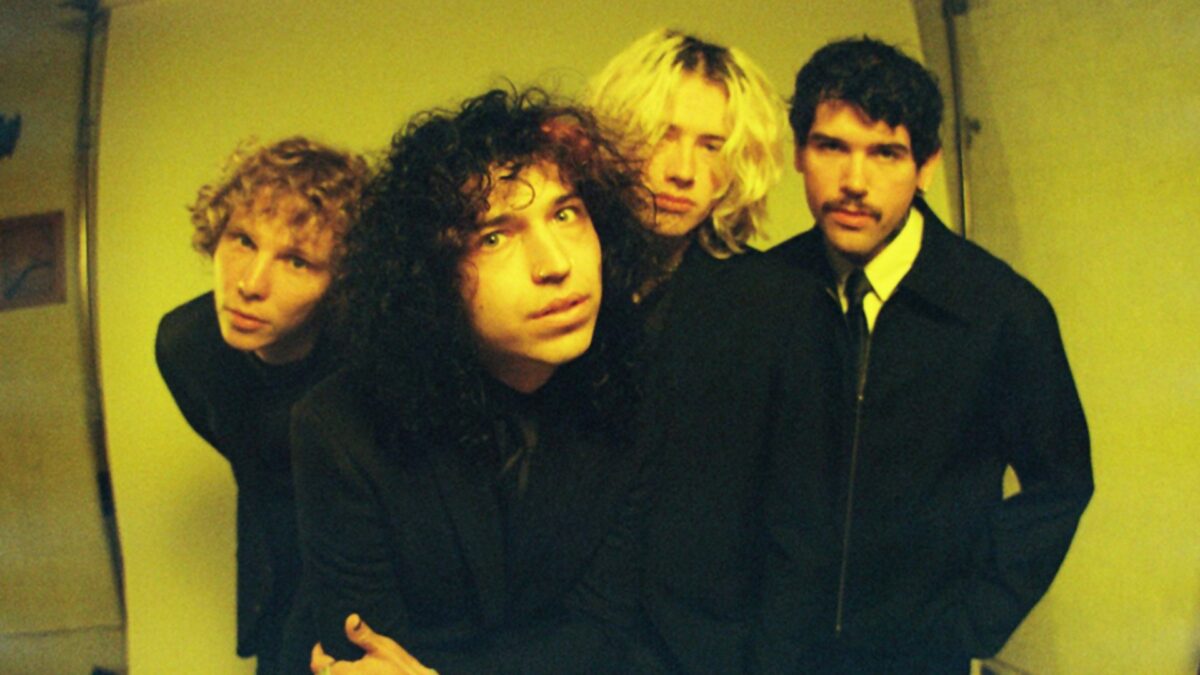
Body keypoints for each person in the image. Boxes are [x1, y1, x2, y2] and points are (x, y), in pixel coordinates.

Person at [285, 89, 663, 674]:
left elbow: (600, 630)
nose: (555, 264)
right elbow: (367, 655)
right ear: (429, 274)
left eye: (565, 214)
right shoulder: (339, 428)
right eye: (494, 236)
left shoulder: (630, 391)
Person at [761, 36, 1094, 673]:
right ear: (799, 152)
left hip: (918, 658)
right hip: (772, 655)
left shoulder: (1001, 311)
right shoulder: (764, 293)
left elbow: (1061, 484)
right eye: (832, 147)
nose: (854, 182)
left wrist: (971, 620)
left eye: (885, 153)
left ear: (927, 166)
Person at [585, 30, 840, 674]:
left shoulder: (779, 304)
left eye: (711, 145)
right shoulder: (560, 284)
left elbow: (802, 530)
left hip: (705, 652)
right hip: (560, 643)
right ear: (613, 137)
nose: (683, 170)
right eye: (661, 135)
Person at [154, 137, 369, 673]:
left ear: (339, 283)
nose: (249, 284)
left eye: (297, 261)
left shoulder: (370, 359)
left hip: (367, 567)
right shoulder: (185, 346)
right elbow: (242, 448)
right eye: (244, 240)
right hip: (271, 568)